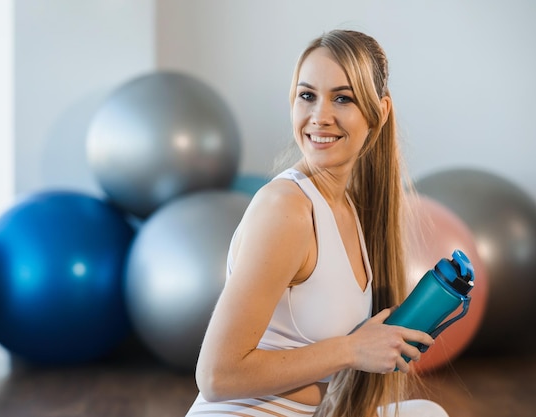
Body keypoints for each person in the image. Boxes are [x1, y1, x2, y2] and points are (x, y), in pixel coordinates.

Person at [184, 29, 450, 417]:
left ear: (380, 112)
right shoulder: (286, 208)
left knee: (426, 413)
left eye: (342, 98)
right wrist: (352, 349)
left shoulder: (350, 210)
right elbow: (216, 375)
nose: (319, 117)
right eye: (307, 96)